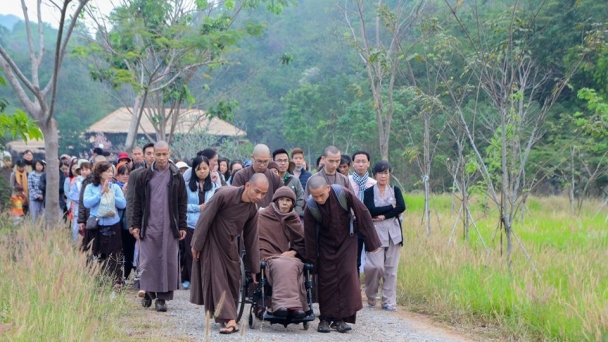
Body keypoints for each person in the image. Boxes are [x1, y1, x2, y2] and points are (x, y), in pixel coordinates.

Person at [190, 173, 268, 334]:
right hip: (212, 241)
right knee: (218, 279)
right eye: (257, 191)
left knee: (233, 280)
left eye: (263, 194)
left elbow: (252, 238)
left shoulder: (252, 210)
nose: (259, 197)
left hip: (230, 245)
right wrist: (197, 244)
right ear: (247, 185)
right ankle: (230, 320)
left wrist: (254, 268)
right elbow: (205, 218)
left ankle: (228, 314)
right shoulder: (225, 195)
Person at [304, 177, 381, 333]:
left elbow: (362, 213)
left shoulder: (342, 193)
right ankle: (325, 318)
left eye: (321, 195)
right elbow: (310, 237)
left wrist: (371, 243)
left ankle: (341, 320)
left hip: (347, 240)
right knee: (326, 279)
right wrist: (312, 266)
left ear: (328, 188)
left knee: (347, 275)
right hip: (325, 243)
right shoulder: (310, 206)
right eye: (315, 196)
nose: (318, 199)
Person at [130, 141, 187, 312]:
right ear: (153, 154)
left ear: (169, 153)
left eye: (164, 154)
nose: (161, 158)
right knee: (148, 260)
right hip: (149, 224)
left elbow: (182, 203)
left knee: (167, 261)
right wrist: (135, 224)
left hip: (169, 226)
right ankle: (147, 292)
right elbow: (137, 202)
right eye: (158, 154)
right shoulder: (144, 176)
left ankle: (162, 299)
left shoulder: (177, 176)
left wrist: (182, 225)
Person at [257, 186, 307, 317]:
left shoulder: (292, 219)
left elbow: (303, 242)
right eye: (282, 200)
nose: (285, 203)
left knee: (294, 264)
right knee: (281, 264)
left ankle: (294, 306)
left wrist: (294, 251)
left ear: (292, 204)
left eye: (288, 200)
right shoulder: (262, 216)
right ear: (276, 201)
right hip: (267, 256)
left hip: (287, 256)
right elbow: (253, 240)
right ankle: (281, 305)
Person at [363, 161, 405, 312]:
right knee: (374, 266)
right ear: (375, 175)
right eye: (380, 173)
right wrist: (390, 209)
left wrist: (383, 215)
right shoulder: (368, 192)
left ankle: (388, 301)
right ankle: (371, 293)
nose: (383, 176)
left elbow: (401, 207)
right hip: (375, 234)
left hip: (393, 234)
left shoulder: (395, 190)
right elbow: (369, 210)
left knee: (391, 269)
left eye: (386, 173)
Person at [83, 161, 127, 291]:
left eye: (111, 171)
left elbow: (123, 204)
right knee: (95, 254)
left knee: (114, 254)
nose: (110, 174)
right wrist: (101, 193)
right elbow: (86, 203)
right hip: (96, 226)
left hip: (112, 225)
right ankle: (96, 281)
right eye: (107, 171)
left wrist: (111, 195)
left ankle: (116, 282)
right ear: (99, 173)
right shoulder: (90, 187)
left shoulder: (115, 187)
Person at [182, 156, 219, 290]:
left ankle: (205, 281)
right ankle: (193, 281)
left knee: (205, 254)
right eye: (199, 169)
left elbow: (218, 205)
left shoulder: (215, 187)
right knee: (190, 253)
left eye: (205, 168)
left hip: (208, 226)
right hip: (191, 224)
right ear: (194, 170)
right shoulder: (186, 187)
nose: (202, 172)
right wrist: (197, 208)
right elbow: (181, 206)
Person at [348, 151, 377, 275]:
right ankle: (355, 287)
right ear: (353, 164)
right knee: (354, 258)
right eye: (357, 161)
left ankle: (371, 287)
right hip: (352, 224)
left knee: (373, 259)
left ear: (368, 164)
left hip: (370, 224)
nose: (360, 164)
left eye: (363, 161)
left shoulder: (374, 184)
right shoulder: (346, 181)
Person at [231, 144, 282, 209]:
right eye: (259, 161)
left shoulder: (275, 178)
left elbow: (281, 199)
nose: (262, 165)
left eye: (265, 161)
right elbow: (235, 200)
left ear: (270, 159)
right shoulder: (241, 175)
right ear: (252, 157)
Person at [115, 164, 136, 282]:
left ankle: (127, 274)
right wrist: (123, 192)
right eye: (122, 174)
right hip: (117, 223)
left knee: (129, 250)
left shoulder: (134, 187)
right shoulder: (114, 187)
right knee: (118, 250)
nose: (125, 176)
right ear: (118, 176)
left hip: (129, 224)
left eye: (128, 174)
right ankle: (118, 275)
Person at [273, 148, 304, 216]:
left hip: (291, 217)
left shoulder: (295, 180)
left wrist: (294, 214)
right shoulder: (270, 180)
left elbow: (300, 200)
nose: (283, 163)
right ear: (273, 162)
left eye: (285, 160)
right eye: (279, 160)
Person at [68, 159, 91, 242]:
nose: (84, 172)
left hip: (90, 210)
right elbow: (72, 194)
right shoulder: (76, 181)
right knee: (76, 231)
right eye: (82, 170)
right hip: (78, 209)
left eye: (87, 169)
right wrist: (83, 198)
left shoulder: (93, 181)